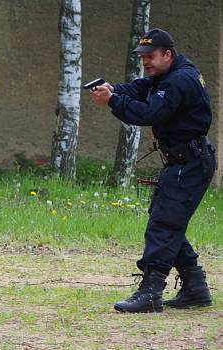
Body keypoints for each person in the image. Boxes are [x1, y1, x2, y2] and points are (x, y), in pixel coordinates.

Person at [90, 28, 215, 313]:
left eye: (150, 56)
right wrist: (114, 89)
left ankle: (150, 292)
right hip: (183, 161)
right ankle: (196, 287)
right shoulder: (166, 75)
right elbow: (141, 88)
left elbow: (150, 113)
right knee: (166, 219)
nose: (146, 61)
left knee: (164, 224)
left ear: (167, 54)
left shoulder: (180, 81)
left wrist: (112, 101)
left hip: (191, 163)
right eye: (143, 56)